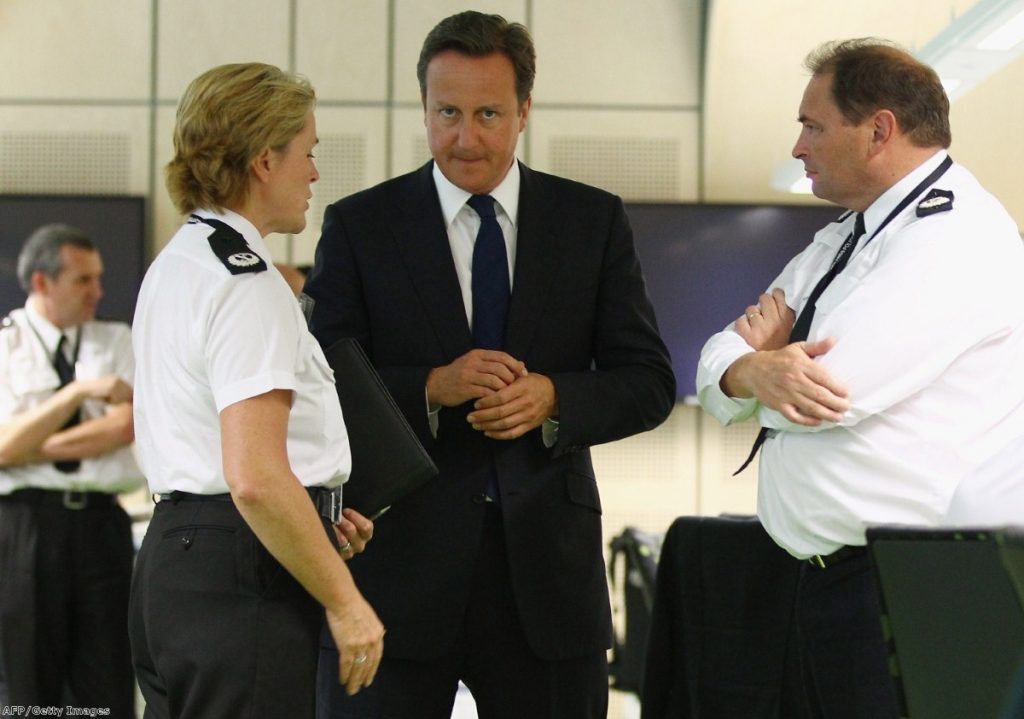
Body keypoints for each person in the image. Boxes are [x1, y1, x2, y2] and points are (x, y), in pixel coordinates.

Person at [303, 11, 675, 719]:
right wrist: (433, 389)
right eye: (447, 112)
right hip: (394, 575)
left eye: (487, 114)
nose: (465, 136)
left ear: (524, 111)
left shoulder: (590, 222)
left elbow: (648, 381)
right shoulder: (361, 225)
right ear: (423, 107)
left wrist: (554, 398)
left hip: (547, 584)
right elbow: (321, 381)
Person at [696, 38, 1024, 717]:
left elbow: (831, 392)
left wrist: (753, 382)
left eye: (813, 126)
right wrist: (751, 368)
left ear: (879, 130)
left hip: (901, 591)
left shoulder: (956, 236)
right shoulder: (846, 235)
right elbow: (714, 365)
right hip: (819, 583)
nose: (798, 147)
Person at [128, 63, 384, 718]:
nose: (315, 174)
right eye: (309, 152)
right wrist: (345, 601)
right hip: (239, 573)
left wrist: (313, 518)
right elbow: (255, 477)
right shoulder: (248, 282)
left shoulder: (180, 262)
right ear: (265, 160)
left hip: (181, 561)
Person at [0, 223, 140, 716]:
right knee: (27, 682)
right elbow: (0, 450)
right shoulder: (5, 344)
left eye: (98, 279)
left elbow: (126, 428)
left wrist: (30, 440)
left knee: (106, 681)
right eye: (84, 280)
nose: (98, 292)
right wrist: (78, 393)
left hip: (102, 524)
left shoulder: (117, 338)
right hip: (25, 527)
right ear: (42, 282)